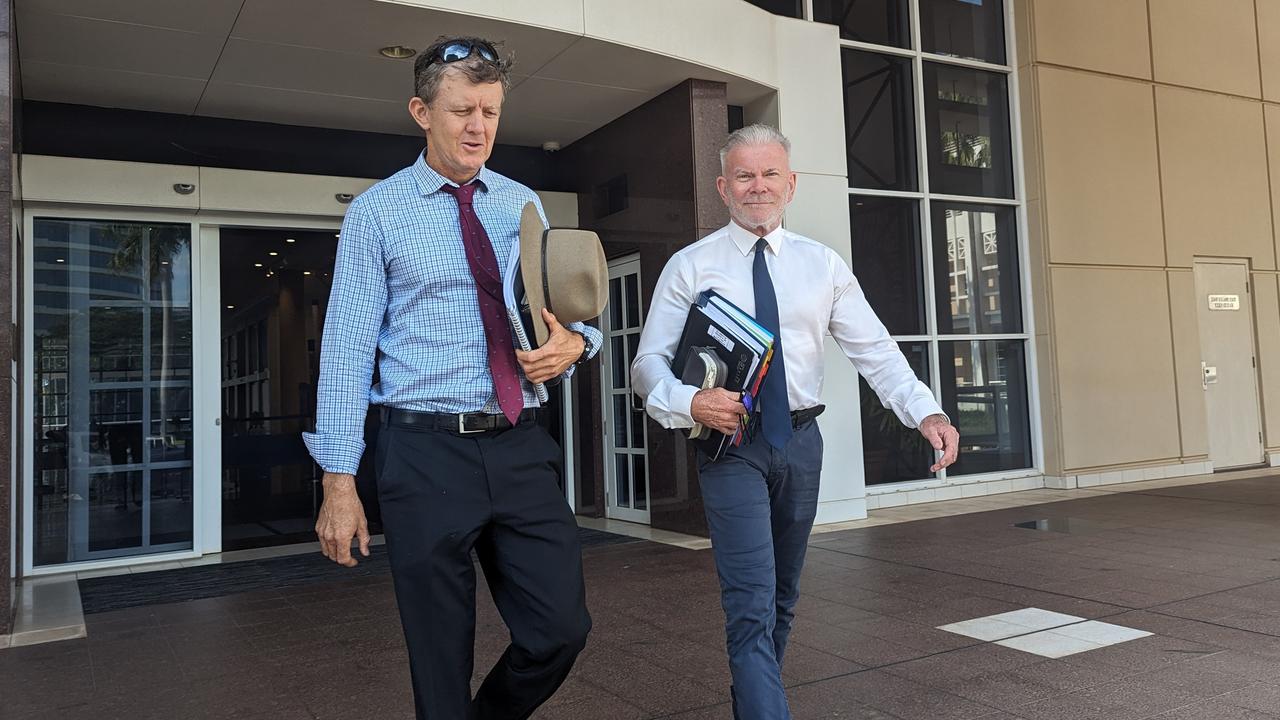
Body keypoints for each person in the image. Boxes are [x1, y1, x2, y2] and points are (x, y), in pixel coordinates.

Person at [302, 36, 601, 720]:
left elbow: (567, 313)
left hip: (520, 442)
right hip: (423, 452)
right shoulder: (377, 212)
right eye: (464, 109)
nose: (479, 127)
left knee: (561, 630)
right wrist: (339, 483)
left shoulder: (522, 202)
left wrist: (574, 346)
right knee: (440, 660)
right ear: (421, 112)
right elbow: (346, 352)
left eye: (491, 111)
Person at [631, 123, 960, 719]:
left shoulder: (822, 265)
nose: (758, 187)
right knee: (751, 600)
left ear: (791, 184)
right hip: (730, 447)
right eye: (744, 176)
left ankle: (753, 698)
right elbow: (647, 363)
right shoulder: (690, 266)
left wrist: (926, 410)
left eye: (769, 174)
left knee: (783, 597)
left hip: (801, 444)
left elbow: (875, 350)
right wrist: (689, 402)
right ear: (723, 187)